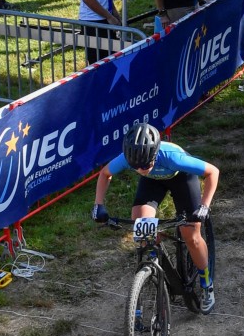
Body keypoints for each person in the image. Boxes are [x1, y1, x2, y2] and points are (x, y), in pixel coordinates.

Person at [92, 124, 220, 313]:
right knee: (141, 227)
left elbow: (213, 172)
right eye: (136, 167)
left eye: (145, 165)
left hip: (181, 179)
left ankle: (206, 283)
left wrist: (204, 206)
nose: (141, 169)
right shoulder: (132, 159)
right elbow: (105, 174)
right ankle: (153, 265)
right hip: (153, 183)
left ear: (153, 155)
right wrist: (98, 205)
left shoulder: (172, 157)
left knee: (191, 236)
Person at [73, 0, 122, 65]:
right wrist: (109, 16)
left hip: (104, 17)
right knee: (99, 68)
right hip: (93, 22)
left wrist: (113, 10)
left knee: (113, 64)